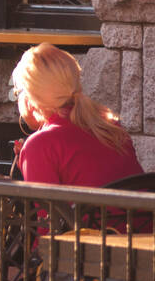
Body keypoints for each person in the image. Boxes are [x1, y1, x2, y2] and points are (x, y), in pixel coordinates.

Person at [11, 42, 142, 188]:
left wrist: (32, 158)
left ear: (29, 100)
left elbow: (47, 210)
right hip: (151, 210)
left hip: (88, 212)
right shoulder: (110, 128)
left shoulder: (40, 145)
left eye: (16, 93)